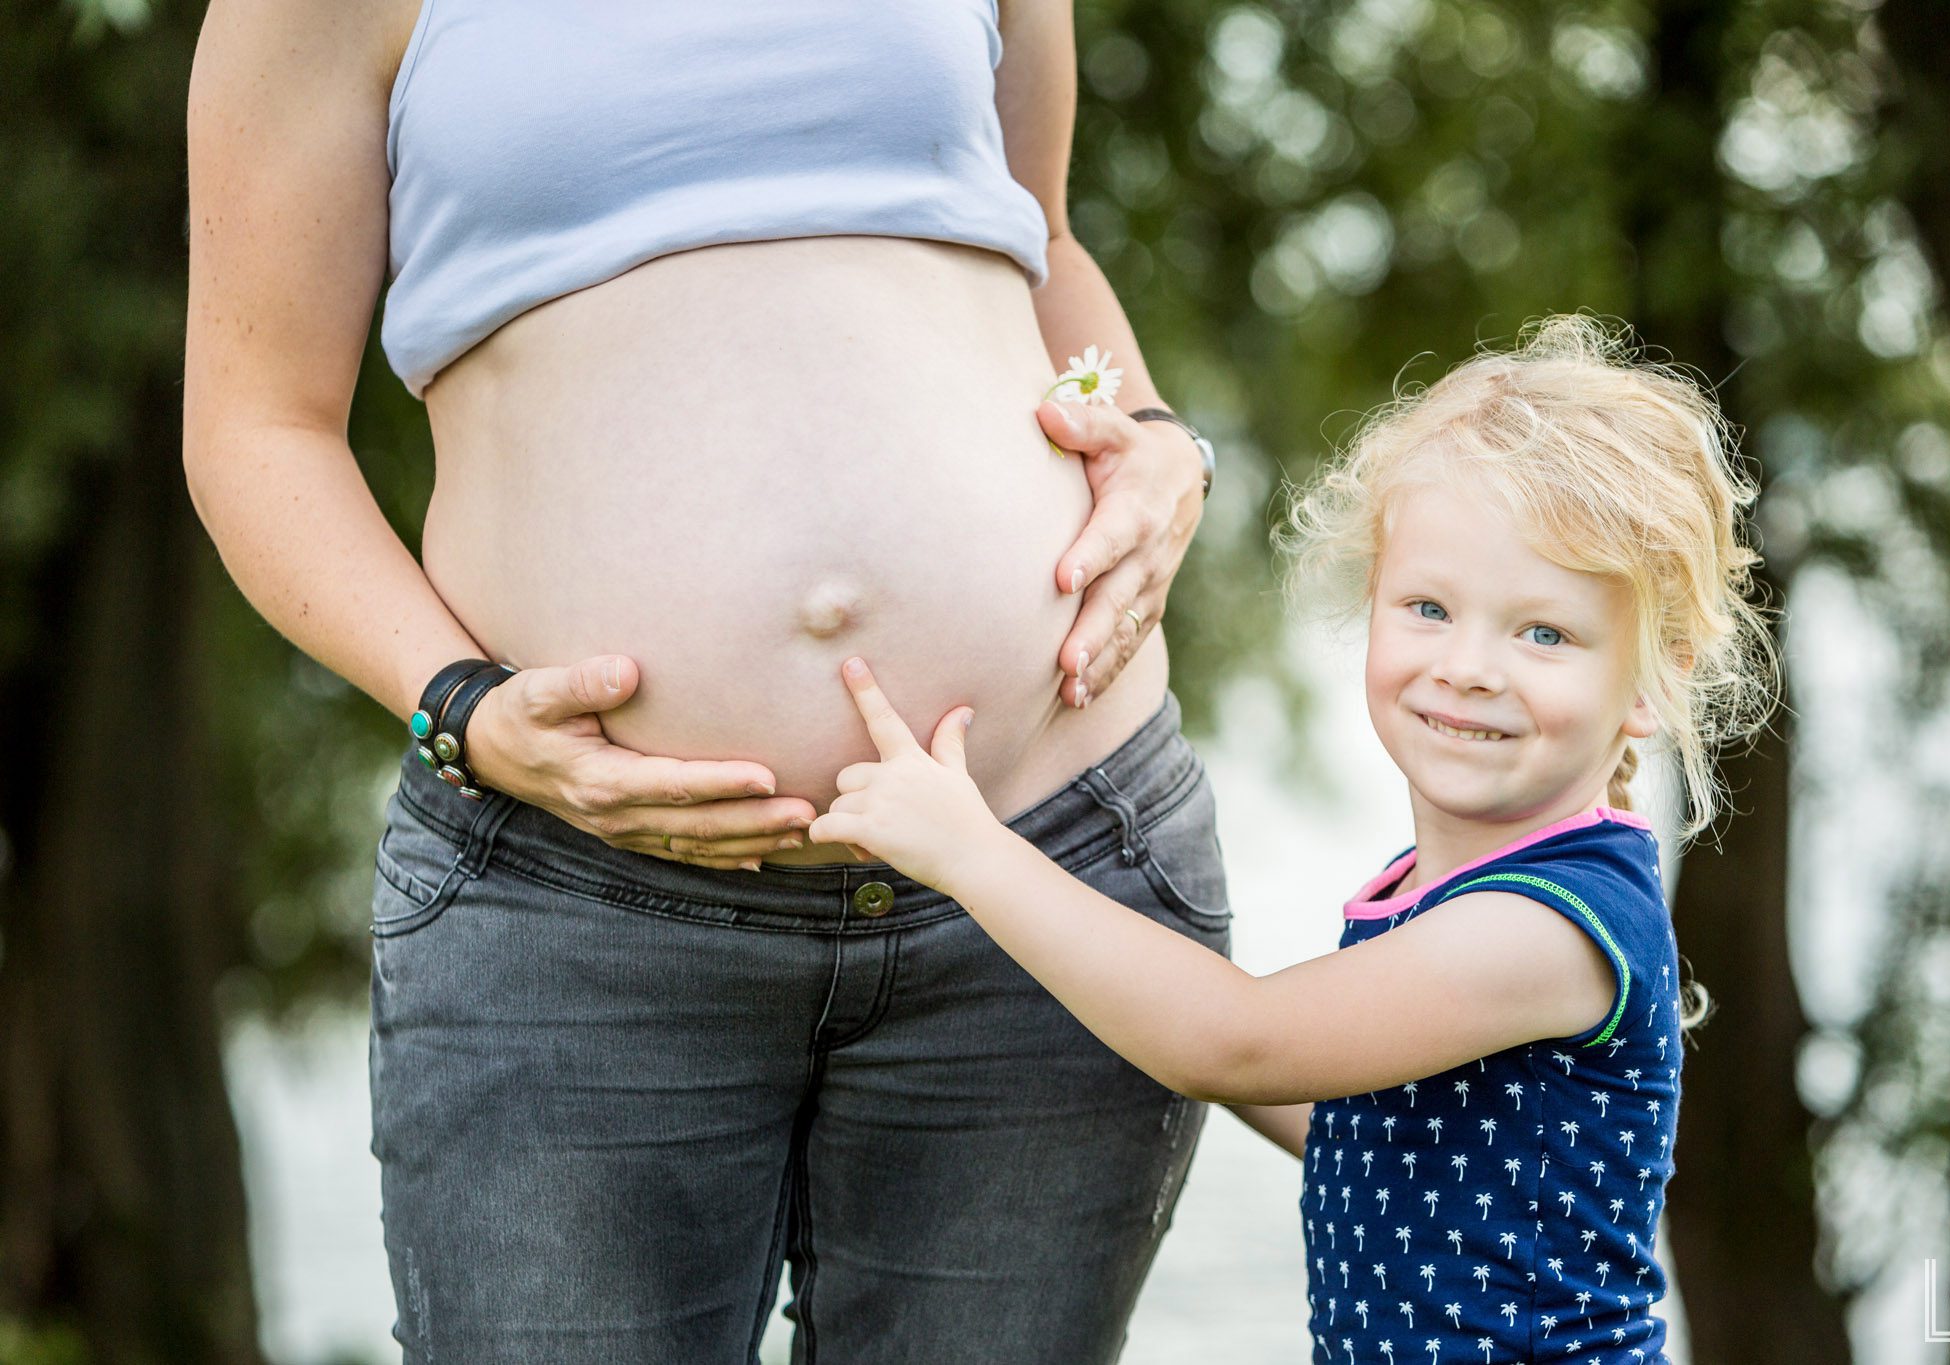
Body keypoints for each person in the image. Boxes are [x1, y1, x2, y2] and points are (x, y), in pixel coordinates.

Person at [182, 2, 1229, 1361]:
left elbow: (1037, 236)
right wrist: (458, 707)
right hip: (579, 913)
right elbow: (257, 421)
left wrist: (1155, 436)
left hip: (1047, 860)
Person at [806, 316, 1777, 1362]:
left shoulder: (1542, 927)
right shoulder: (1448, 888)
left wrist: (971, 850)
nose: (1468, 666)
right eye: (1427, 608)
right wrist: (1115, 986)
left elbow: (1242, 1040)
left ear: (1654, 677)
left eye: (1542, 633)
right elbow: (1375, 1126)